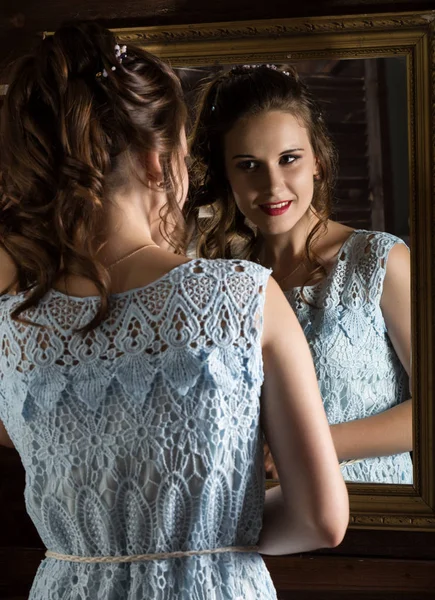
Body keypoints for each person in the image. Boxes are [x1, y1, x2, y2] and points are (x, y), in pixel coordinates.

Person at [0, 24, 348, 600]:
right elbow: (321, 519)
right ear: (159, 163)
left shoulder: (13, 325)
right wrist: (208, 534)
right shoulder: (240, 297)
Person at [187, 64, 412, 485]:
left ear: (318, 163)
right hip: (259, 523)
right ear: (226, 176)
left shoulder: (380, 261)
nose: (273, 186)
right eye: (249, 165)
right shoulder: (227, 282)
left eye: (288, 159)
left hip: (383, 521)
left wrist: (318, 445)